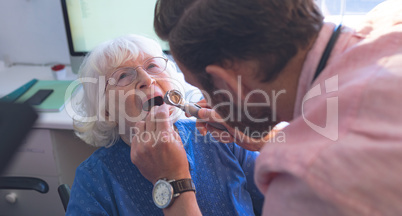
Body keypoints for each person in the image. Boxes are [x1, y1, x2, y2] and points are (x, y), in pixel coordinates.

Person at [152, 0, 402, 215]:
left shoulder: (304, 189)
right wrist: (272, 141)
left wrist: (174, 185)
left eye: (204, 90)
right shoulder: (390, 18)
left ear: (229, 83)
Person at [66, 34, 264, 215]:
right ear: (106, 111)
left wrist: (262, 139)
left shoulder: (222, 135)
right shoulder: (93, 179)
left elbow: (278, 200)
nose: (147, 79)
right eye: (123, 76)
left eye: (152, 66)